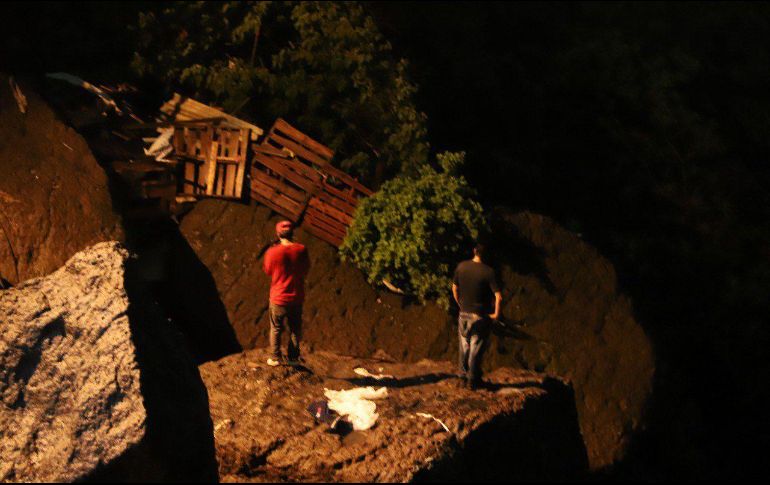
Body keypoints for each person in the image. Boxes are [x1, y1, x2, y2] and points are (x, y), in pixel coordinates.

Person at [451, 242, 502, 390]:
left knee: (464, 345)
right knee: (475, 347)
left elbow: (454, 288)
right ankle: (472, 380)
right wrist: (496, 314)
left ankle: (461, 377)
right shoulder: (488, 272)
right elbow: (498, 297)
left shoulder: (461, 266)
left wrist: (460, 304)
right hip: (479, 315)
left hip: (464, 313)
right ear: (486, 255)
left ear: (474, 251)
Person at [263, 220, 310, 367]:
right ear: (292, 233)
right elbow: (306, 269)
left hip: (278, 297)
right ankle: (293, 358)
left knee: (276, 328)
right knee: (295, 329)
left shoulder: (272, 252)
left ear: (278, 234)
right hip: (296, 296)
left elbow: (268, 271)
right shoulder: (302, 250)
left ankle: (275, 357)